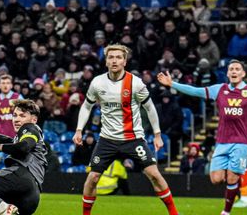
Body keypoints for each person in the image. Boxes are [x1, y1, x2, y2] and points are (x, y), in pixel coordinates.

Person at [73, 44, 178, 215]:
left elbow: (150, 108)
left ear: (124, 61)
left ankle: (173, 213)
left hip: (133, 138)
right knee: (92, 178)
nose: (114, 60)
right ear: (106, 61)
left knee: (154, 174)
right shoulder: (97, 82)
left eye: (118, 57)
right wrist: (79, 130)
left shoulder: (135, 83)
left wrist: (157, 134)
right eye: (111, 57)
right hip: (107, 139)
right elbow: (86, 106)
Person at [157, 59, 247, 215]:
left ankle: (226, 212)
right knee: (215, 179)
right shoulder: (220, 89)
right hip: (222, 142)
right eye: (231, 69)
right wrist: (173, 84)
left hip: (241, 142)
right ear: (228, 73)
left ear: (243, 74)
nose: (234, 71)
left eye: (237, 69)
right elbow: (196, 91)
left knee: (232, 177)